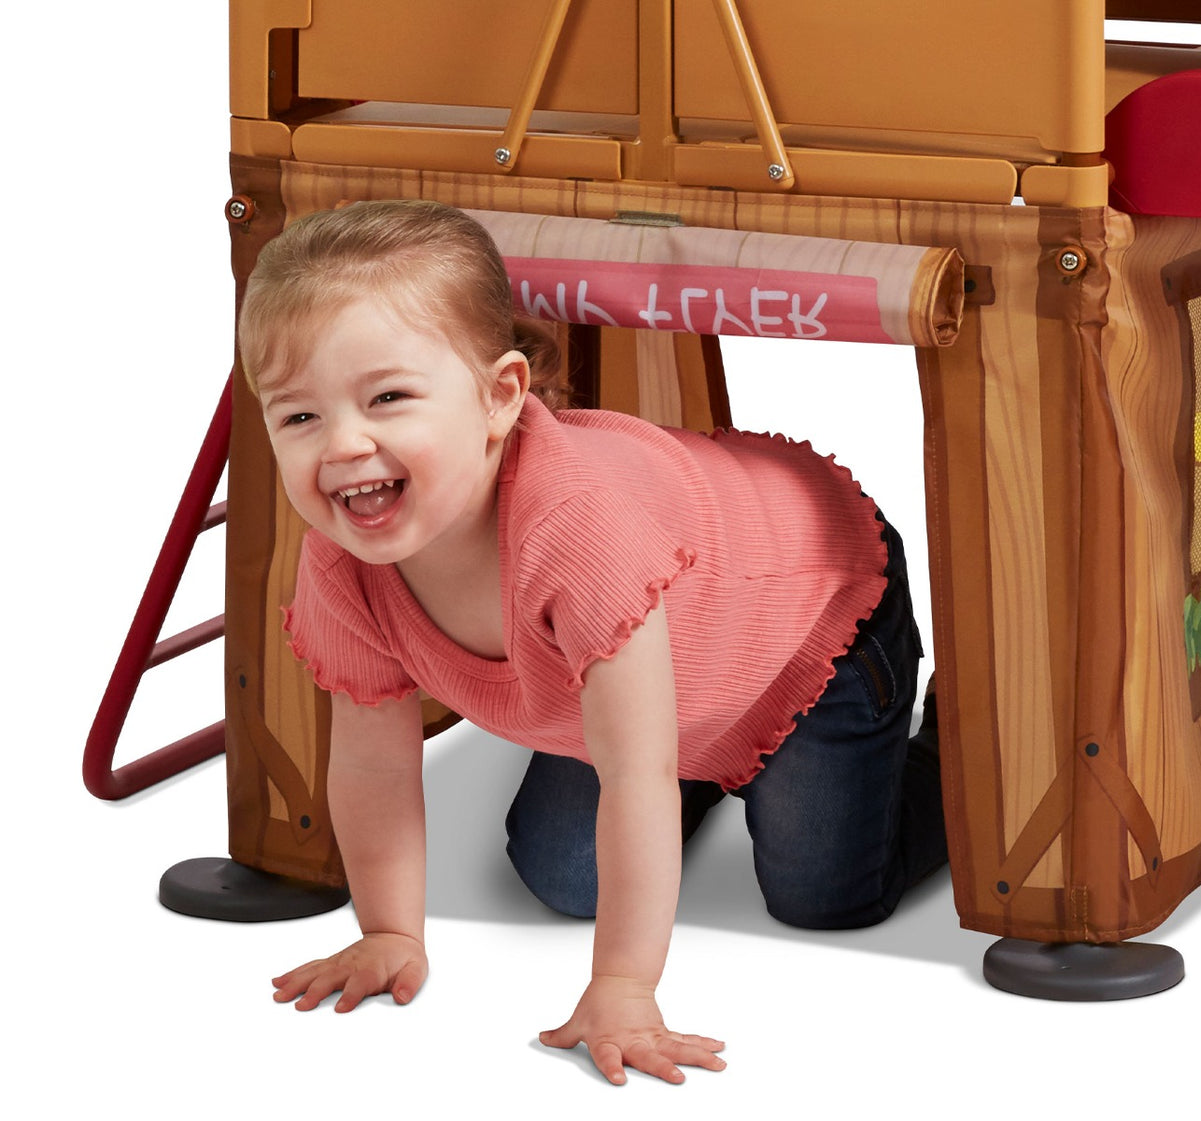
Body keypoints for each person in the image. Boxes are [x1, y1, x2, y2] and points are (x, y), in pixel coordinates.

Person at [240, 198, 948, 1086]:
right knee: (564, 877)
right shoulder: (345, 560)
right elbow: (375, 762)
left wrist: (623, 985)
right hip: (650, 673)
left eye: (388, 397)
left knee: (824, 895)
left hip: (811, 606)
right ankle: (709, 757)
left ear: (499, 397)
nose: (344, 444)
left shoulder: (575, 534)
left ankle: (949, 742)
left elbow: (636, 772)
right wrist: (388, 928)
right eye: (298, 416)